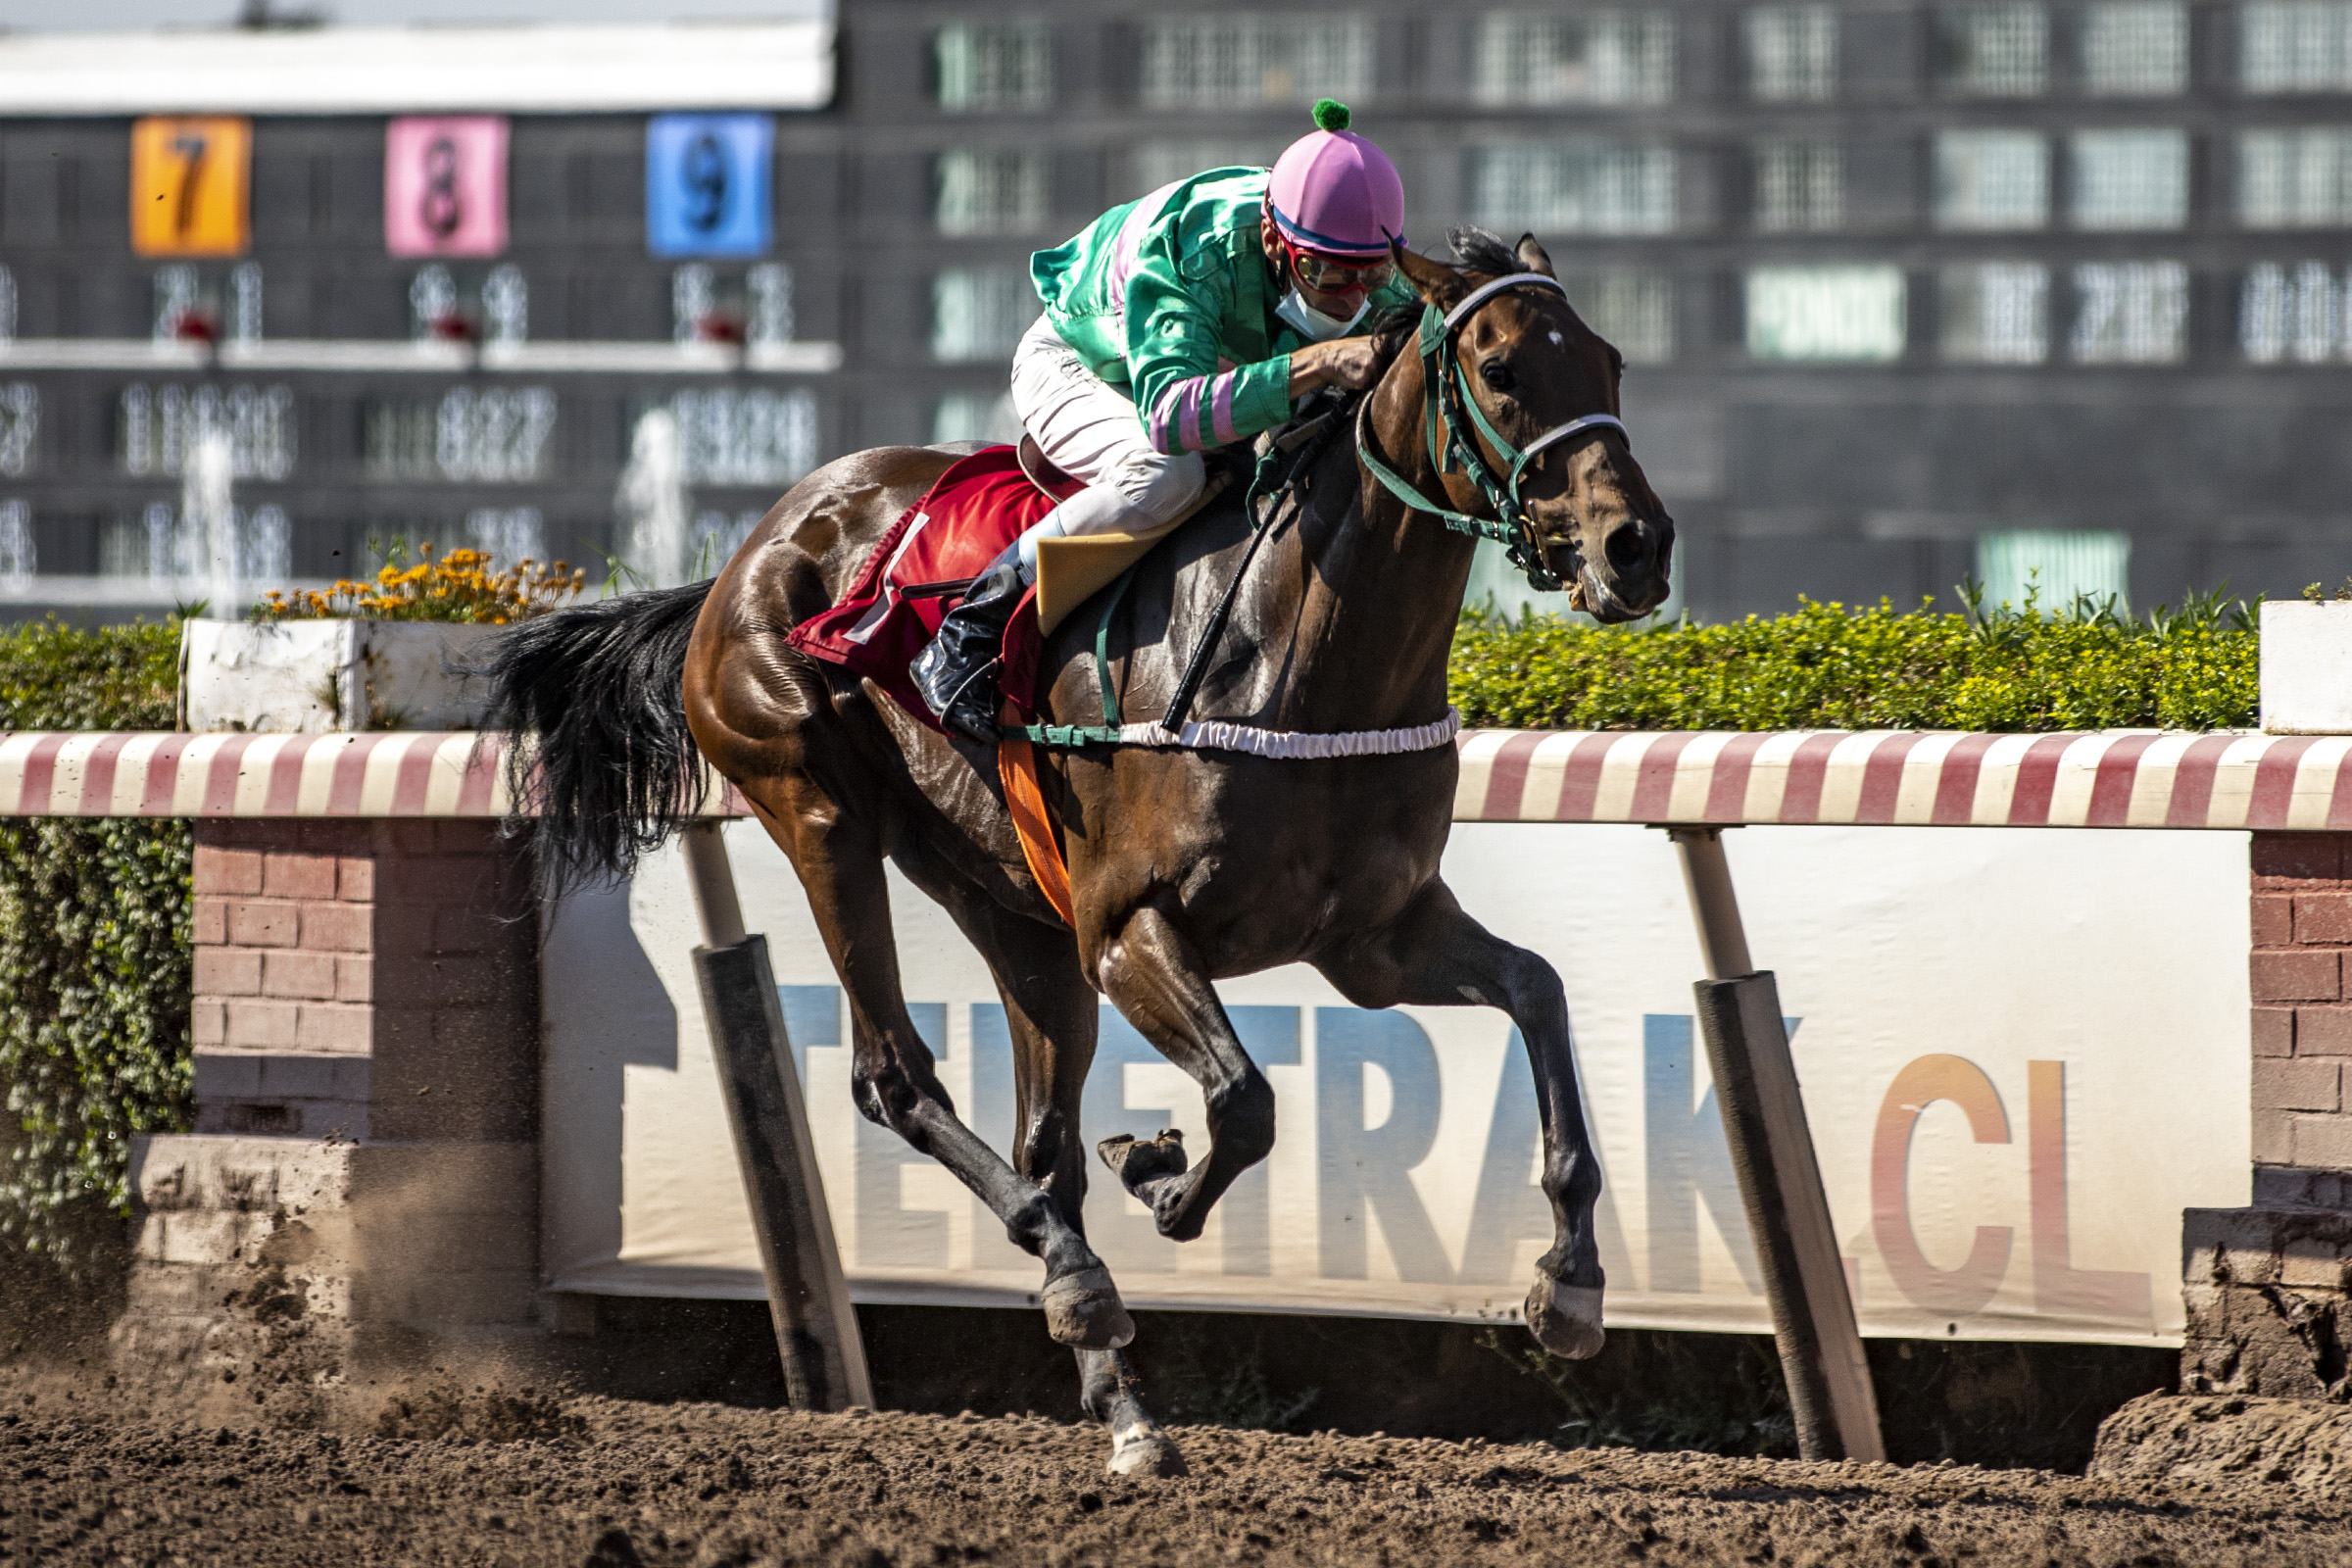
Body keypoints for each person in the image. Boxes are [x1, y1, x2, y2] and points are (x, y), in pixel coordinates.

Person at [910, 99, 1417, 744]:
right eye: (1324, 273)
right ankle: (971, 627)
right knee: (1166, 473)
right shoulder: (1194, 246)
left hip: (1208, 366)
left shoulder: (1375, 276)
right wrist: (1315, 363)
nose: (1351, 300)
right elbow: (1171, 418)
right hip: (1085, 362)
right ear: (1273, 240)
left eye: (1372, 275)